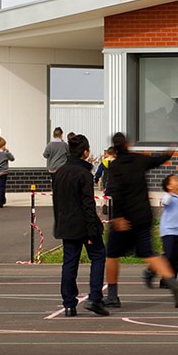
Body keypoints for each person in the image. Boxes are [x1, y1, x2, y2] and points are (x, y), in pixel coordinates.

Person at [105, 132, 178, 308]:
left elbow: (115, 192)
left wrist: (117, 217)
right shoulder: (139, 160)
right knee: (150, 254)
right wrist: (169, 152)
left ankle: (112, 296)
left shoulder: (115, 166)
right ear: (128, 144)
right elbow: (158, 160)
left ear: (114, 148)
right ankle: (173, 283)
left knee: (111, 255)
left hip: (124, 218)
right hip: (143, 215)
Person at [55, 133, 109, 317]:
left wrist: (59, 223)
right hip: (84, 225)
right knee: (99, 257)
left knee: (69, 263)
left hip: (66, 223)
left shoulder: (60, 172)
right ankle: (95, 297)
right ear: (85, 152)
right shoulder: (84, 174)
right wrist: (93, 228)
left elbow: (57, 202)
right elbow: (88, 203)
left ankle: (69, 303)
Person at [0, 137, 15, 208]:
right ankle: (0, 201)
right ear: (4, 146)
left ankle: (2, 199)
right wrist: (8, 152)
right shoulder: (5, 154)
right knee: (2, 186)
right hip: (3, 172)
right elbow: (12, 158)